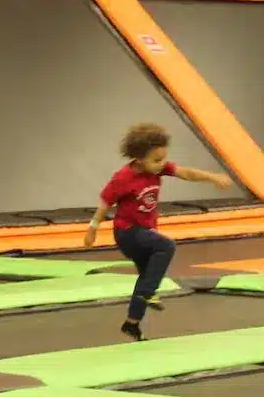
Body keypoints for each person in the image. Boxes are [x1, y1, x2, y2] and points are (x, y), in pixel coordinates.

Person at [84, 122, 233, 340]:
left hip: (145, 232)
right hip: (128, 233)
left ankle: (132, 324)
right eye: (156, 160)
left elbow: (187, 173)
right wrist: (92, 228)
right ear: (138, 158)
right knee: (166, 246)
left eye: (163, 159)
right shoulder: (123, 178)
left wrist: (212, 177)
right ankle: (148, 293)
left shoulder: (158, 167)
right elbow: (105, 203)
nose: (161, 164)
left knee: (147, 276)